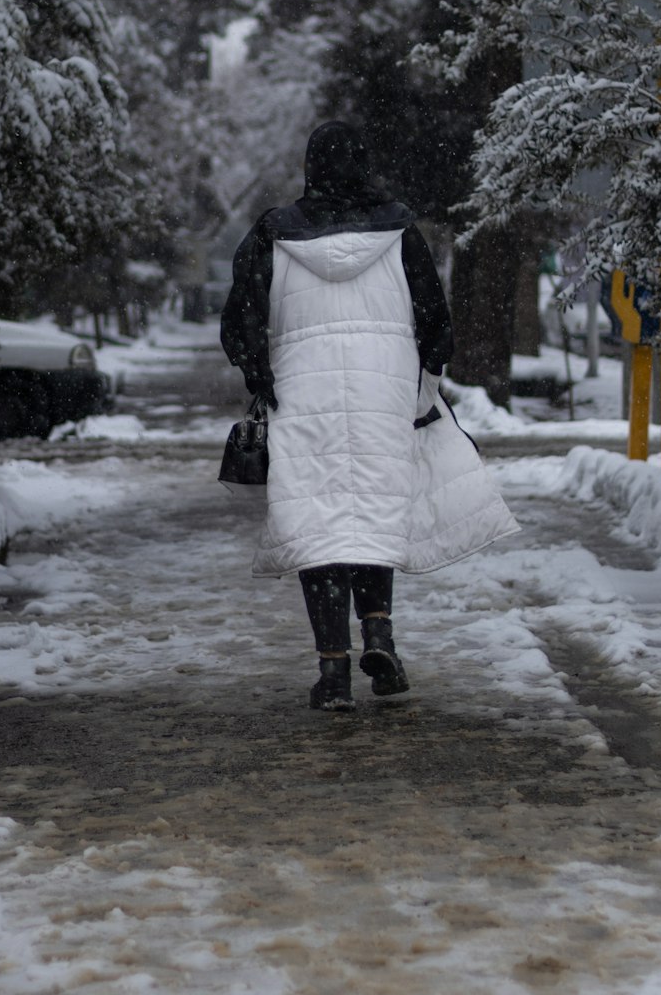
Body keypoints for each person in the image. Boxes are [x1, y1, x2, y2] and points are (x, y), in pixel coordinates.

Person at [221, 121, 517, 711]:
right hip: (385, 390)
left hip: (304, 393)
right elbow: (436, 321)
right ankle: (378, 633)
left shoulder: (272, 235)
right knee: (375, 513)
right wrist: (421, 386)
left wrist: (261, 377)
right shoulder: (401, 232)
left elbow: (240, 322)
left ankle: (333, 674)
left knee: (320, 526)